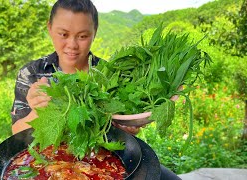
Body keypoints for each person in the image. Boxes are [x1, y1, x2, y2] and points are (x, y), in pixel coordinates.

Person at [10, 0, 181, 179]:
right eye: (63, 34)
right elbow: (17, 137)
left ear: (94, 33)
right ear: (50, 28)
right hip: (48, 160)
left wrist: (128, 126)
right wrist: (37, 111)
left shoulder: (110, 75)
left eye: (82, 36)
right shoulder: (32, 73)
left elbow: (122, 130)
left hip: (104, 159)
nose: (72, 44)